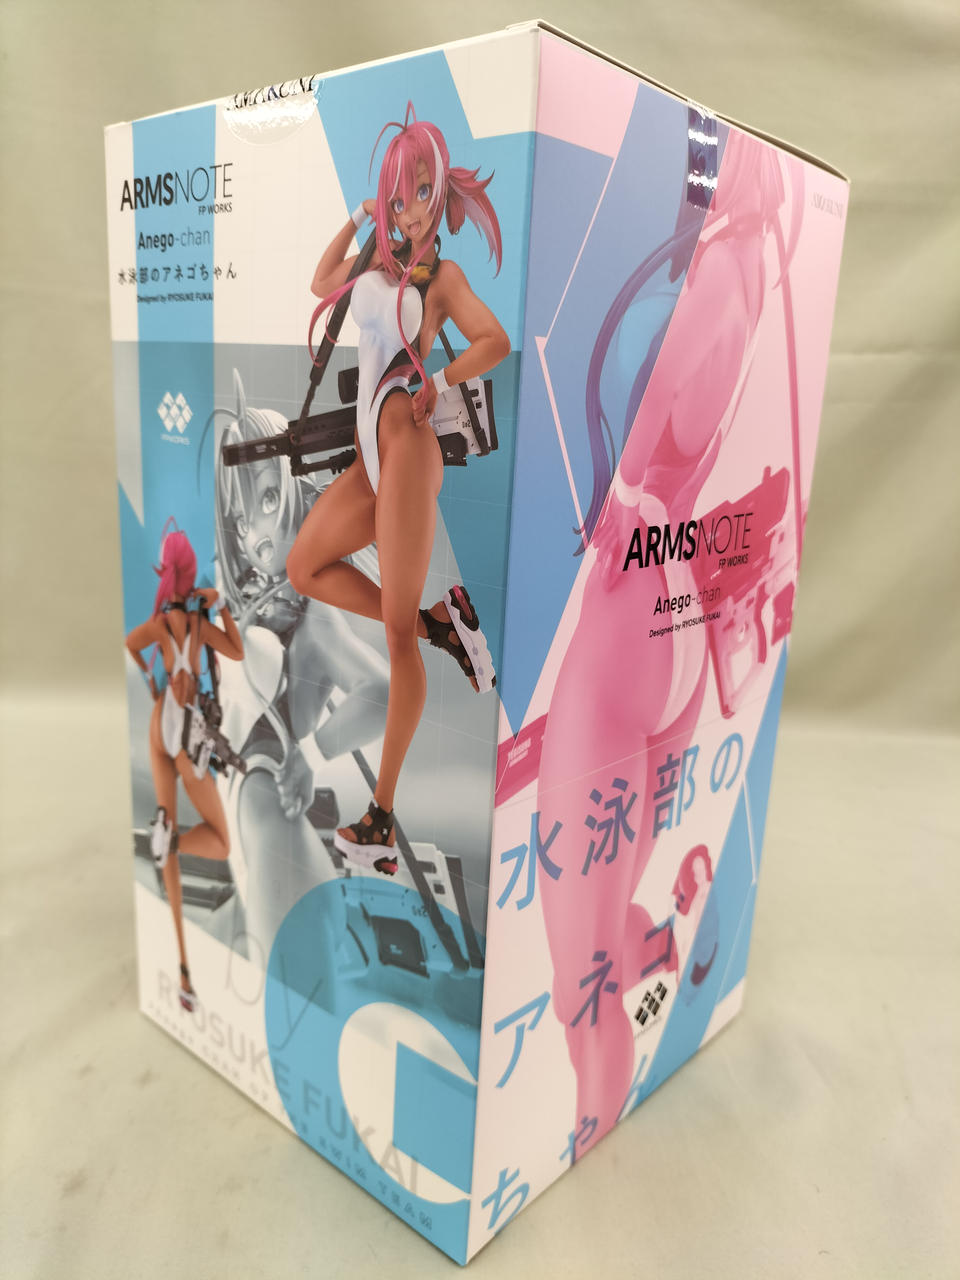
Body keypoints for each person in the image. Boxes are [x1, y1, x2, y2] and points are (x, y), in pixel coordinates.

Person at [535, 130, 804, 1150]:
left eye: (712, 152)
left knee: (576, 998)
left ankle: (590, 1134)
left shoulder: (714, 274)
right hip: (674, 613)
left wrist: (617, 495)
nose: (700, 164)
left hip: (623, 626)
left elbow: (649, 437)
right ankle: (653, 946)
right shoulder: (752, 270)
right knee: (604, 926)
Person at [286, 103, 509, 871]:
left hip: (406, 450)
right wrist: (358, 216)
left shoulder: (441, 278)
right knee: (303, 566)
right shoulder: (376, 267)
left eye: (419, 193)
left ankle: (380, 815)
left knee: (391, 639)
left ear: (438, 193)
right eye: (397, 195)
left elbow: (495, 341)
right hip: (368, 463)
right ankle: (441, 623)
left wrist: (441, 378)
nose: (409, 209)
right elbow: (319, 281)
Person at [211, 372, 390, 953]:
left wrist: (310, 757)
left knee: (298, 982)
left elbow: (383, 692)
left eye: (268, 499)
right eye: (243, 519)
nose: (256, 532)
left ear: (296, 495)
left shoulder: (315, 620)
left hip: (266, 796)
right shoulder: (252, 598)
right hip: (234, 805)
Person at [125, 525, 244, 1008]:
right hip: (184, 734)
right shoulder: (196, 625)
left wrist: (152, 681)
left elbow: (130, 643)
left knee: (166, 823)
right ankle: (170, 840)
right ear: (190, 573)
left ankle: (182, 970)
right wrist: (222, 605)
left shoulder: (160, 623)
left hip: (160, 724)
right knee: (220, 841)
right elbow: (236, 651)